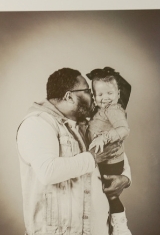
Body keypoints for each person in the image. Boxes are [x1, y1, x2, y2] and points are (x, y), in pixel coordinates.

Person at [16, 68, 132, 235]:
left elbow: (113, 150)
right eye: (87, 91)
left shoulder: (86, 123)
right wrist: (93, 158)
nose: (93, 96)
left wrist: (126, 177)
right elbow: (48, 171)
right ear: (69, 96)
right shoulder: (38, 123)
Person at [87, 67, 132, 235]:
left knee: (111, 195)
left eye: (110, 93)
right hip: (105, 159)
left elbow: (124, 129)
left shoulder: (114, 109)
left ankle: (121, 226)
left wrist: (103, 138)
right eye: (100, 95)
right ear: (94, 97)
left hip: (112, 161)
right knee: (105, 196)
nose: (105, 98)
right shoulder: (100, 110)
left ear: (118, 94)